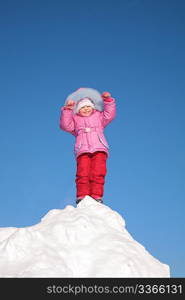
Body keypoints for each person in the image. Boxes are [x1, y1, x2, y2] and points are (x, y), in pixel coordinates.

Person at [60, 90, 116, 204]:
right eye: (82, 107)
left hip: (99, 148)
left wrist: (108, 101)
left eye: (88, 106)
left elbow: (109, 114)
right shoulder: (75, 120)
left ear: (93, 107)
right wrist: (67, 110)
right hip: (83, 149)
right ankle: (82, 195)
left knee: (98, 172)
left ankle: (96, 195)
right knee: (83, 173)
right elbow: (65, 125)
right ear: (78, 110)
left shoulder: (99, 117)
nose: (86, 109)